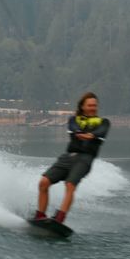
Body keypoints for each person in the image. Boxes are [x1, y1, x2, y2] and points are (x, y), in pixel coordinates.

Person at [34, 92, 110, 224]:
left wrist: (90, 135)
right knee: (43, 182)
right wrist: (81, 133)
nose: (93, 108)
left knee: (70, 185)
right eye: (90, 105)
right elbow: (74, 128)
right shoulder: (73, 120)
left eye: (95, 105)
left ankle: (59, 218)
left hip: (85, 159)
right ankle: (40, 216)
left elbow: (99, 132)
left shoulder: (104, 122)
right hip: (67, 157)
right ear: (82, 106)